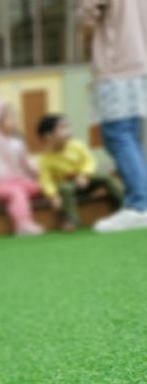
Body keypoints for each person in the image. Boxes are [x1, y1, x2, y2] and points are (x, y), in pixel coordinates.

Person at [78, 0, 147, 233]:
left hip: (116, 65)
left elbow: (87, 15)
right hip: (139, 62)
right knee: (130, 136)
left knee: (119, 136)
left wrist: (86, 45)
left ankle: (139, 206)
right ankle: (138, 202)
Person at [35, 114, 123, 232]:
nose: (68, 131)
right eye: (62, 128)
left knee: (105, 178)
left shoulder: (77, 145)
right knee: (65, 187)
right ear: (48, 137)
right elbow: (46, 180)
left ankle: (124, 205)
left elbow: (89, 161)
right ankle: (71, 219)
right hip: (68, 189)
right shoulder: (45, 159)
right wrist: (53, 196)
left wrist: (84, 175)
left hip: (85, 181)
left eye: (68, 127)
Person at [0, 101, 45, 236]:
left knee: (35, 187)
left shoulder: (18, 142)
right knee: (17, 193)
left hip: (18, 182)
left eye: (14, 117)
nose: (13, 120)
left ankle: (21, 220)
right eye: (9, 117)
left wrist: (38, 173)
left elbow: (27, 163)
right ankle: (23, 223)